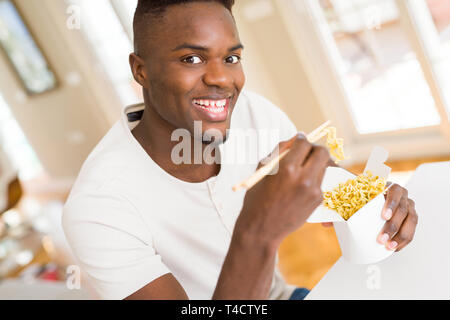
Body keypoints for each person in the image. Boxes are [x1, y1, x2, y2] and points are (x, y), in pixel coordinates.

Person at [62, 0, 418, 300]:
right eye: (191, 59)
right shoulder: (98, 207)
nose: (221, 79)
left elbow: (327, 180)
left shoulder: (250, 111)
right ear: (140, 70)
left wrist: (373, 200)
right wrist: (258, 231)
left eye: (231, 58)